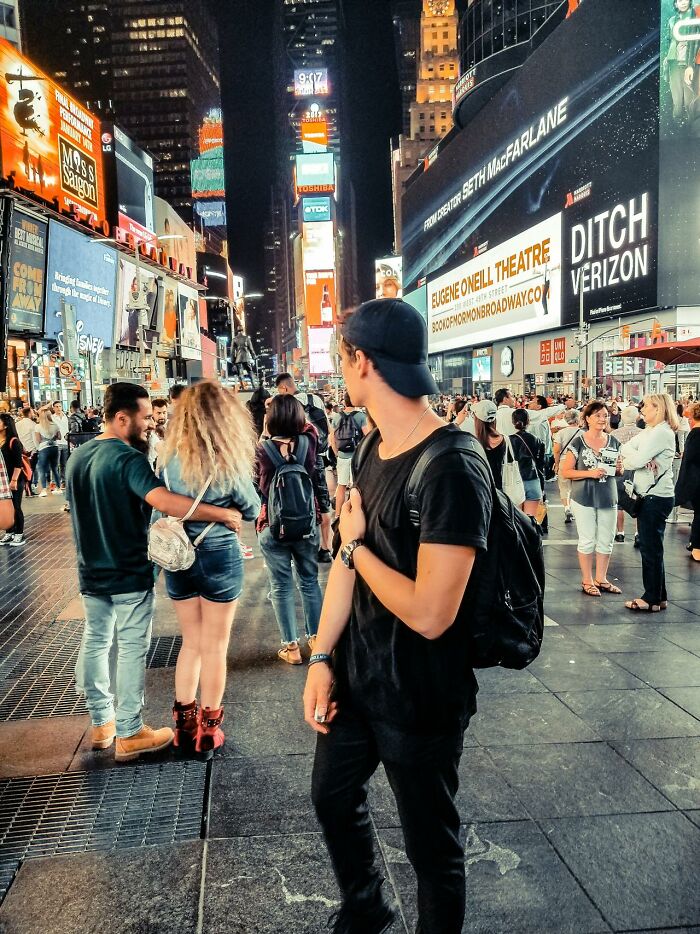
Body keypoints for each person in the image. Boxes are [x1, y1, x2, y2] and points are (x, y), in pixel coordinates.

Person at [304, 298, 492, 934]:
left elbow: (433, 614)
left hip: (420, 694)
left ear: (362, 361)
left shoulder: (452, 466)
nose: (339, 375)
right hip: (359, 678)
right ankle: (367, 907)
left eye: (342, 360)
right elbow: (344, 569)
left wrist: (355, 544)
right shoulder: (373, 448)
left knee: (431, 851)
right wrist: (322, 656)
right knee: (331, 796)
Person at [66, 383, 244, 762]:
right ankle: (130, 731)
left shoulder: (77, 457)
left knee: (96, 640)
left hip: (89, 570)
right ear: (121, 417)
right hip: (128, 569)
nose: (151, 424)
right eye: (145, 417)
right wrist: (220, 513)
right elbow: (163, 501)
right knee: (132, 648)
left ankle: (102, 722)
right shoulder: (127, 459)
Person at [158, 382, 260, 759]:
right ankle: (208, 732)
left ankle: (183, 726)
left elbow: (164, 503)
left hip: (179, 556)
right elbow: (250, 508)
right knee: (215, 645)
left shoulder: (168, 459)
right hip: (218, 554)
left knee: (191, 642)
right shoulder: (226, 459)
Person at [255, 394, 323, 665]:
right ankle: (316, 638)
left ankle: (291, 648)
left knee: (281, 585)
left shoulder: (262, 449)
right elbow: (311, 429)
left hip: (272, 526)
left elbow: (257, 486)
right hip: (306, 524)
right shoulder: (309, 443)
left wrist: (265, 429)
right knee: (309, 581)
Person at [619, 394, 679, 612]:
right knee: (653, 548)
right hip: (652, 496)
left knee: (650, 549)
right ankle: (658, 596)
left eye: (646, 406)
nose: (642, 409)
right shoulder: (650, 432)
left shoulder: (661, 433)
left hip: (654, 497)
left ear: (659, 408)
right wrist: (638, 458)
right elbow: (625, 447)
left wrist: (635, 459)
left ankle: (651, 597)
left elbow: (633, 460)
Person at [559, 401, 623, 597]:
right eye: (598, 416)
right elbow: (566, 471)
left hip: (608, 495)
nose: (602, 419)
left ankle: (601, 578)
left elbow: (619, 471)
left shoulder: (613, 442)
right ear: (587, 418)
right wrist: (590, 473)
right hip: (583, 496)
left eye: (605, 415)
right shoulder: (578, 442)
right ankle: (587, 579)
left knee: (606, 539)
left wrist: (620, 469)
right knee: (587, 539)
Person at [276, 373, 333, 562]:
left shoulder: (288, 405)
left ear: (283, 388)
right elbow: (328, 429)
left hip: (297, 457)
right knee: (323, 500)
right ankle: (326, 548)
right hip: (316, 456)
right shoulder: (315, 398)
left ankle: (301, 542)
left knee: (300, 498)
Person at [331, 392, 368, 517]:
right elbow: (368, 436)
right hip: (357, 457)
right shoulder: (361, 416)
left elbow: (332, 438)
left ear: (344, 402)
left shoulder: (336, 417)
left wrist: (337, 453)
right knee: (355, 487)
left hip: (342, 456)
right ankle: (352, 514)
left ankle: (337, 515)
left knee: (341, 486)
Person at [611, 406, 643, 542]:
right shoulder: (643, 433)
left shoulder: (614, 434)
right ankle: (638, 534)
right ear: (637, 417)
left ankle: (620, 533)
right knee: (639, 501)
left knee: (619, 503)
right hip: (638, 471)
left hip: (620, 469)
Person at [675, 401, 700, 562]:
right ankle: (696, 547)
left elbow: (690, 458)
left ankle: (695, 545)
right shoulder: (696, 433)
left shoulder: (695, 433)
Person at [511, 408, 545, 518]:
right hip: (533, 480)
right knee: (531, 521)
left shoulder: (508, 440)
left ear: (513, 422)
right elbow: (541, 464)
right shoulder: (537, 440)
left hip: (515, 482)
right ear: (528, 421)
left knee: (517, 520)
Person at [0, 413, 27, 546]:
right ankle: (9, 531)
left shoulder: (13, 441)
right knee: (5, 506)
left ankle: (19, 533)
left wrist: (14, 481)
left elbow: (18, 464)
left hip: (14, 479)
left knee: (16, 506)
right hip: (2, 480)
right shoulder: (0, 441)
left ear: (5, 425)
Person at [553, 409, 581, 524]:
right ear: (578, 419)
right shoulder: (582, 433)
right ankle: (576, 510)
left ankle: (567, 508)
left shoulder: (560, 433)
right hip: (579, 463)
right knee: (577, 487)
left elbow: (556, 450)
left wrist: (557, 463)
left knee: (564, 487)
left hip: (564, 461)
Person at [34, 405, 62, 496]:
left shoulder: (38, 426)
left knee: (41, 469)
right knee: (54, 468)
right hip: (54, 447)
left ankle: (44, 490)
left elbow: (38, 439)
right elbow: (59, 437)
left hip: (43, 448)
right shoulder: (55, 425)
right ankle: (58, 487)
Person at [16, 406, 37, 495]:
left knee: (23, 469)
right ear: (29, 413)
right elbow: (35, 438)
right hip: (31, 450)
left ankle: (25, 488)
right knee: (30, 469)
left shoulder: (17, 424)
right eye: (32, 412)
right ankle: (29, 489)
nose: (34, 414)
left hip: (20, 449)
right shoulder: (33, 424)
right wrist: (36, 449)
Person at [52, 402, 70, 487]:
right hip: (56, 443)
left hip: (66, 442)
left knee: (65, 464)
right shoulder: (52, 418)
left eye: (60, 406)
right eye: (56, 406)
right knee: (56, 464)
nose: (58, 408)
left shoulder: (66, 417)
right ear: (53, 408)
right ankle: (55, 482)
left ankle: (64, 481)